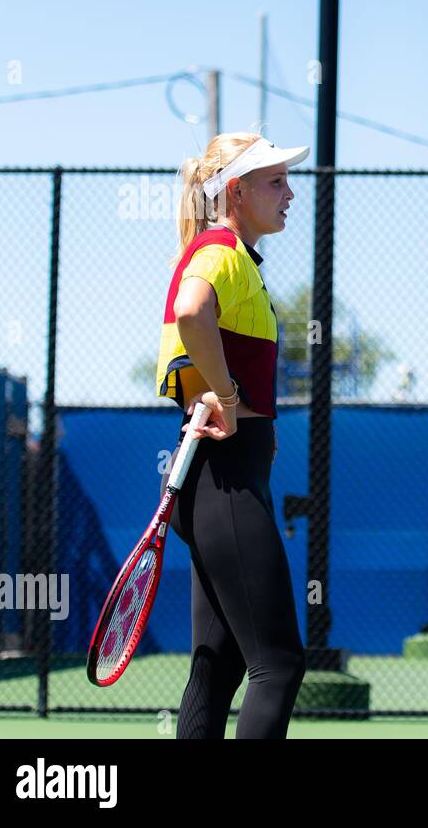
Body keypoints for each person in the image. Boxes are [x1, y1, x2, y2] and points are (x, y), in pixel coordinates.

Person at [155, 133, 309, 738]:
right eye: (276, 181)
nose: (290, 192)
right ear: (236, 193)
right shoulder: (220, 251)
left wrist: (244, 413)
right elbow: (194, 314)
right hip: (225, 482)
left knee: (218, 667)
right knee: (278, 664)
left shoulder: (228, 255)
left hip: (218, 476)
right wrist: (227, 396)